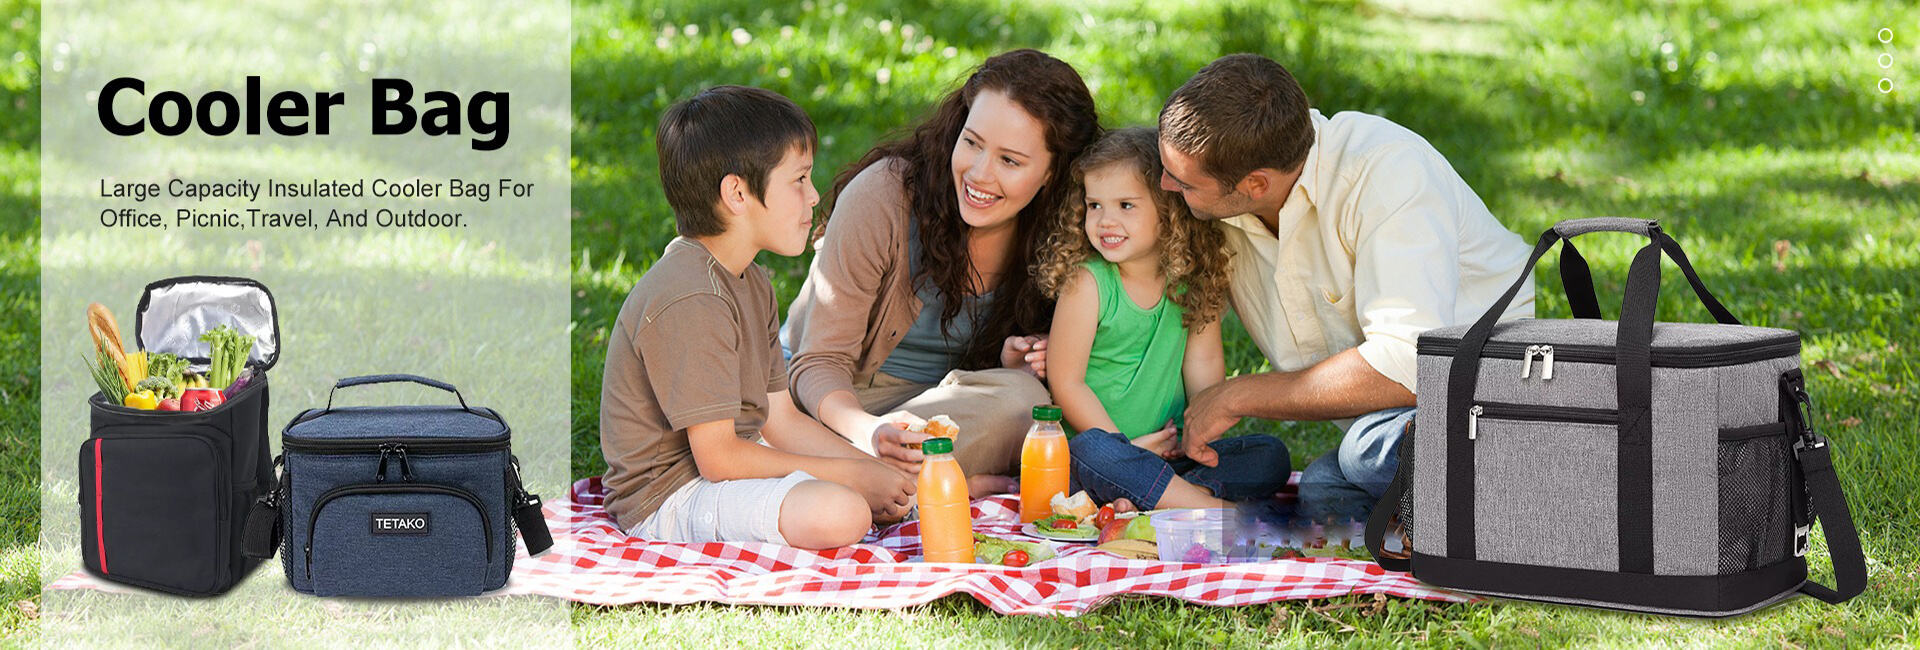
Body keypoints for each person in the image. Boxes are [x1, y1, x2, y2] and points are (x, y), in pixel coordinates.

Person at [1156, 54, 1535, 521]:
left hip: (1491, 397)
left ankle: (1539, 477)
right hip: (1397, 422)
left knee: (1365, 453)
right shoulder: (1228, 200)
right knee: (1325, 489)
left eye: (1184, 182)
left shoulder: (1387, 173)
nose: (1164, 184)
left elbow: (1412, 363)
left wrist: (1239, 394)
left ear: (1256, 184)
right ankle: (1464, 521)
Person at [600, 86, 914, 550]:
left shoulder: (751, 280)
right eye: (799, 180)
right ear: (738, 193)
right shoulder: (692, 297)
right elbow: (719, 459)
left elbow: (781, 419)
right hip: (667, 497)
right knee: (843, 509)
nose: (813, 196)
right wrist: (852, 475)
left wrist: (869, 468)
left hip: (730, 466)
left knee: (871, 488)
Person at [784, 49, 1101, 495]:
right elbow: (817, 362)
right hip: (835, 402)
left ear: (1053, 173)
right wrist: (868, 432)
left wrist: (1017, 361)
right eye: (971, 142)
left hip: (944, 413)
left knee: (1025, 401)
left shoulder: (1068, 233)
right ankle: (936, 483)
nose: (978, 173)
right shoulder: (884, 197)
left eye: (1010, 161)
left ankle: (873, 482)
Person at [1036, 127, 1290, 511]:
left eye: (1125, 205)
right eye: (1094, 205)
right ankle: (1208, 509)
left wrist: (1198, 438)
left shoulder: (1192, 281)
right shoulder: (1087, 282)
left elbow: (1203, 368)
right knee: (1090, 452)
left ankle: (1169, 498)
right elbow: (1066, 383)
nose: (1105, 220)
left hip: (1171, 453)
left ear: (1169, 212)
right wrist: (1125, 446)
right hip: (1103, 453)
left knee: (1270, 455)